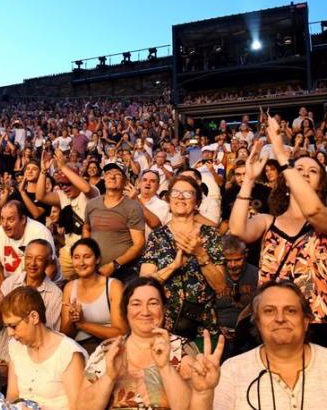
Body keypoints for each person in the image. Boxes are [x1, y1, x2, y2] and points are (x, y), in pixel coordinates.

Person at [229, 118, 327, 352]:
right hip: (275, 325)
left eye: (312, 171)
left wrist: (283, 156)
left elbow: (313, 210)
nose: (304, 173)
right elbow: (237, 230)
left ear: (321, 183)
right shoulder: (267, 221)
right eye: (299, 169)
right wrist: (249, 180)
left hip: (323, 323)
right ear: (286, 181)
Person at [214, 281, 327, 409]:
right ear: (257, 322)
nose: (280, 318)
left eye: (290, 310)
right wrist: (201, 395)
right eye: (269, 311)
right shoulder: (232, 372)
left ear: (305, 321)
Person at [79, 277, 222, 410]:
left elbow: (190, 407)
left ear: (164, 309)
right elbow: (81, 407)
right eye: (136, 304)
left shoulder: (181, 348)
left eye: (153, 303)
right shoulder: (108, 350)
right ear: (125, 310)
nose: (145, 312)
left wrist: (165, 367)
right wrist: (109, 377)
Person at [140, 176, 226, 344]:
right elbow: (145, 283)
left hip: (204, 326)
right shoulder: (157, 236)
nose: (180, 197)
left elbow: (221, 285)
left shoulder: (210, 234)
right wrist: (173, 266)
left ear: (197, 202)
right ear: (169, 199)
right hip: (164, 326)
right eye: (176, 192)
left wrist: (200, 254)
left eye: (188, 194)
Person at [3, 286, 86, 410]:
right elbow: (13, 394)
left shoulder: (68, 354)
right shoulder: (15, 346)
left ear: (34, 317)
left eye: (13, 326)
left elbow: (77, 407)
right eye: (7, 327)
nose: (9, 333)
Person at [0, 239, 62, 371]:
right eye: (29, 257)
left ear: (48, 262)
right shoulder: (10, 283)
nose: (32, 263)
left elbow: (45, 338)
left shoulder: (55, 294)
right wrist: (1, 309)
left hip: (30, 363)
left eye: (39, 259)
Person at [36, 150, 99, 280]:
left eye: (67, 184)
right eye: (61, 184)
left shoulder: (90, 193)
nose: (64, 188)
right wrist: (43, 171)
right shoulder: (62, 196)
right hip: (69, 252)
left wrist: (63, 166)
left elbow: (86, 188)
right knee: (65, 289)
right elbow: (40, 196)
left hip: (89, 252)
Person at [60, 238, 126, 354]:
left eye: (87, 257)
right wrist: (72, 319)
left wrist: (82, 323)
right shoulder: (69, 288)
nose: (81, 263)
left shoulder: (113, 286)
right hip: (78, 348)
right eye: (76, 257)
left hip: (109, 347)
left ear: (97, 259)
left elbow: (121, 333)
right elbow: (65, 335)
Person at [83, 163, 145, 283]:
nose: (112, 177)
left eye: (117, 174)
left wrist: (114, 265)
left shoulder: (133, 207)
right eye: (108, 174)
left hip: (124, 272)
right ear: (104, 179)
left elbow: (139, 244)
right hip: (94, 270)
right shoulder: (92, 204)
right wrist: (87, 251)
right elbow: (86, 228)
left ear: (125, 182)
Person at [0, 200, 57, 289]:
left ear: (23, 219)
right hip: (13, 288)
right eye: (2, 219)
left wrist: (32, 294)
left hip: (43, 287)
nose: (5, 224)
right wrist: (5, 294)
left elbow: (51, 268)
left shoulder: (39, 232)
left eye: (10, 219)